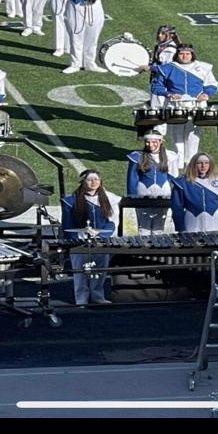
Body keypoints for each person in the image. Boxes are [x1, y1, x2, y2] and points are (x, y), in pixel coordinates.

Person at [151, 42, 217, 168]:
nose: (185, 56)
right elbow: (156, 86)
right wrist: (168, 94)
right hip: (175, 105)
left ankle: (191, 162)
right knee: (177, 134)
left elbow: (212, 84)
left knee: (193, 133)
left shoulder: (203, 67)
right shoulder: (167, 68)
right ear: (177, 55)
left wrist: (206, 93)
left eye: (188, 54)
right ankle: (178, 163)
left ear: (192, 54)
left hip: (197, 104)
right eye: (182, 54)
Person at [60, 169, 119, 305]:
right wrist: (76, 239)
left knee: (100, 269)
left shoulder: (110, 198)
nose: (94, 182)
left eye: (96, 179)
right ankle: (81, 298)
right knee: (80, 271)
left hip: (101, 240)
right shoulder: (70, 201)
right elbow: (67, 225)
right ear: (82, 183)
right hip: (79, 241)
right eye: (90, 180)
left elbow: (113, 221)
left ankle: (98, 296)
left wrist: (101, 234)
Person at [61, 0, 114, 73]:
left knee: (92, 36)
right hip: (76, 8)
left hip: (95, 8)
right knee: (76, 36)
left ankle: (90, 62)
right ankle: (75, 64)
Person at [124, 131, 178, 234]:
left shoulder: (170, 156)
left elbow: (174, 178)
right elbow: (132, 179)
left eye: (154, 142)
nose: (150, 145)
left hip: (163, 192)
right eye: (147, 142)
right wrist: (132, 198)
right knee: (143, 226)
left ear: (160, 141)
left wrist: (176, 197)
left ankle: (157, 248)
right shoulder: (137, 156)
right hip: (143, 191)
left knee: (159, 225)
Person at [169, 152, 218, 233]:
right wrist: (181, 228)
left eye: (206, 163)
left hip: (214, 222)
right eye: (199, 163)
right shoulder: (182, 182)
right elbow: (177, 208)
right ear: (193, 164)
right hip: (191, 222)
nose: (203, 166)